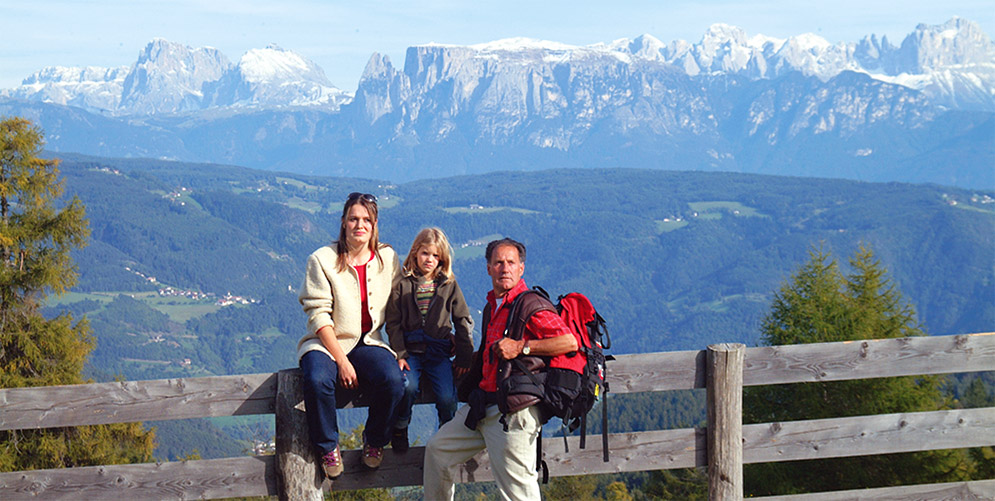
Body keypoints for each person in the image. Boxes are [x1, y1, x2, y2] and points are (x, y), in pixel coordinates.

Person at [423, 238, 579, 500]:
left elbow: (568, 341)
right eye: (498, 263)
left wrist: (522, 347)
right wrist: (458, 354)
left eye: (510, 263)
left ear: (521, 268)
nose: (504, 268)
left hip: (514, 411)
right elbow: (491, 352)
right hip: (483, 405)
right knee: (438, 451)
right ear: (488, 268)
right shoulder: (492, 306)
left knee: (518, 493)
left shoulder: (531, 305)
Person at [296, 192, 404, 480]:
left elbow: (400, 306)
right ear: (343, 222)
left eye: (366, 219)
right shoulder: (322, 259)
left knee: (394, 381)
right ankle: (328, 446)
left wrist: (405, 350)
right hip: (326, 342)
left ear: (375, 223)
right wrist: (341, 361)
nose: (360, 225)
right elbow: (318, 315)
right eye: (354, 219)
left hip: (369, 340)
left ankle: (375, 441)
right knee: (317, 380)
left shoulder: (388, 258)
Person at [386, 227, 474, 452]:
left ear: (442, 259)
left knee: (446, 396)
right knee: (407, 386)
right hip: (411, 350)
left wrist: (464, 357)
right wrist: (400, 353)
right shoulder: (403, 284)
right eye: (425, 253)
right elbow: (393, 322)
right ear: (415, 252)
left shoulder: (448, 285)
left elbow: (463, 319)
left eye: (436, 256)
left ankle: (448, 433)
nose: (430, 260)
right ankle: (400, 426)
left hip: (438, 352)